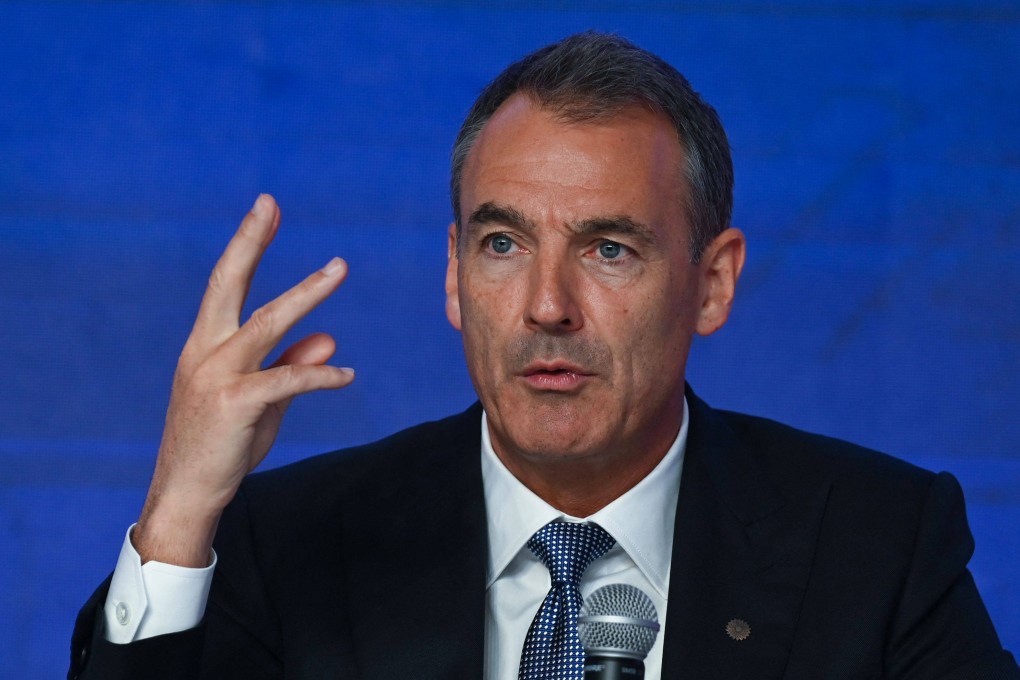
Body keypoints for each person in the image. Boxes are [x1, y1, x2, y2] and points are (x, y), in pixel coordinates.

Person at [69, 32, 1018, 679]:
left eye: (609, 249)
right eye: (503, 244)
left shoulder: (879, 545)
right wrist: (179, 512)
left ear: (714, 283)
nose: (547, 306)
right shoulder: (292, 546)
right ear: (453, 275)